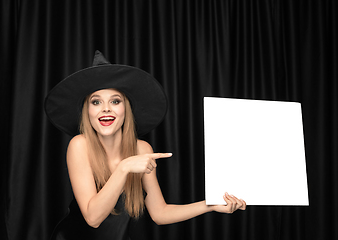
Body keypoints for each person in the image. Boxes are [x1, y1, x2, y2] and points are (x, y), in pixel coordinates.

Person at [45, 50, 246, 240]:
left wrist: (210, 205)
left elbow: (160, 213)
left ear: (127, 108)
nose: (105, 109)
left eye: (115, 101)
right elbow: (93, 218)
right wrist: (124, 168)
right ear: (86, 111)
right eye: (96, 102)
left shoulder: (142, 149)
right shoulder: (80, 145)